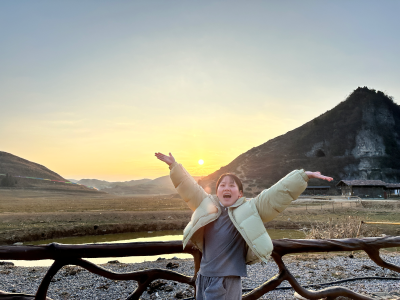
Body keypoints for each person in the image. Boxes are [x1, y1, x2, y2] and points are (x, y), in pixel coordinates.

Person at [155, 152, 333, 300]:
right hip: (203, 276)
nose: (226, 187)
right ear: (217, 192)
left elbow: (275, 194)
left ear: (240, 193)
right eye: (222, 185)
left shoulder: (250, 209)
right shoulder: (207, 206)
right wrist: (174, 166)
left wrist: (303, 176)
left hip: (227, 279)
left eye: (232, 185)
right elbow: (189, 188)